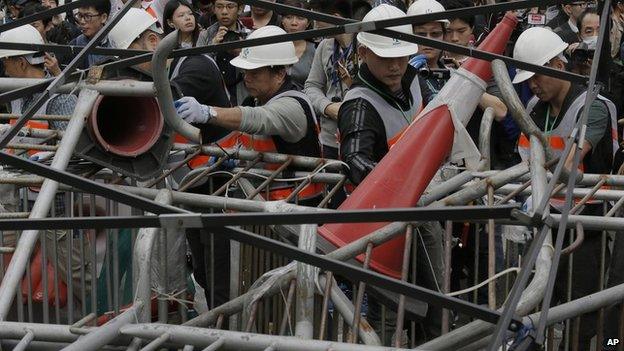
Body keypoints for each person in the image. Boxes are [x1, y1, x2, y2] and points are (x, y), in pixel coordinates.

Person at [337, 4, 442, 343]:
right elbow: (354, 160)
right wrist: (402, 185)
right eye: (386, 58)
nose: (396, 66)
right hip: (383, 226)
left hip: (424, 211)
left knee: (435, 301)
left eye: (401, 57)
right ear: (364, 51)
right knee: (387, 312)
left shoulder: (411, 78)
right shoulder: (359, 105)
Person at [513, 26, 619, 350]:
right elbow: (521, 163)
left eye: (537, 76)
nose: (532, 85)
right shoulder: (533, 109)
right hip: (542, 223)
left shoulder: (593, 107)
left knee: (578, 310)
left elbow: (569, 165)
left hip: (584, 226)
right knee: (535, 304)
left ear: (558, 66)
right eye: (527, 79)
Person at [0, 24, 85, 298]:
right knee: (10, 258)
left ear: (21, 62)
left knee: (71, 268)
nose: (4, 70)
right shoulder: (17, 95)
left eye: (6, 62)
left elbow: (78, 151)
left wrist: (44, 157)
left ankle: (95, 312)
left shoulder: (58, 98)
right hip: (19, 196)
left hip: (54, 202)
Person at [304, 0, 355, 161]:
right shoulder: (324, 47)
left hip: (358, 135)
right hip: (330, 138)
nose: (315, 24)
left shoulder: (363, 45)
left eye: (317, 18)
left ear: (335, 17)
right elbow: (311, 86)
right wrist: (327, 107)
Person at [197, 0, 251, 104]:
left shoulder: (249, 35)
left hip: (242, 94)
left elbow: (256, 70)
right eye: (219, 7)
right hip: (213, 94)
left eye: (230, 7)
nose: (224, 11)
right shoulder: (205, 35)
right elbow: (199, 68)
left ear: (240, 9)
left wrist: (243, 52)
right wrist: (212, 47)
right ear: (214, 9)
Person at [406, 0, 449, 101]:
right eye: (421, 34)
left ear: (444, 36)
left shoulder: (452, 73)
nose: (428, 40)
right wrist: (407, 76)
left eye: (435, 34)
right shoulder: (398, 75)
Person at [278, 0, 314, 87]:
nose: (294, 23)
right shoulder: (272, 47)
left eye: (300, 18)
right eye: (289, 17)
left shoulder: (316, 50)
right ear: (282, 20)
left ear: (308, 23)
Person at [66, 0, 112, 69]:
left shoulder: (116, 42)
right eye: (79, 15)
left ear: (103, 17)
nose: (82, 21)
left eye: (88, 16)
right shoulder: (74, 45)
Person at [19, 4, 62, 76]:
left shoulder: (60, 52)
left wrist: (57, 72)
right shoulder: (14, 53)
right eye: (25, 26)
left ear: (48, 26)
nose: (28, 30)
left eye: (35, 26)